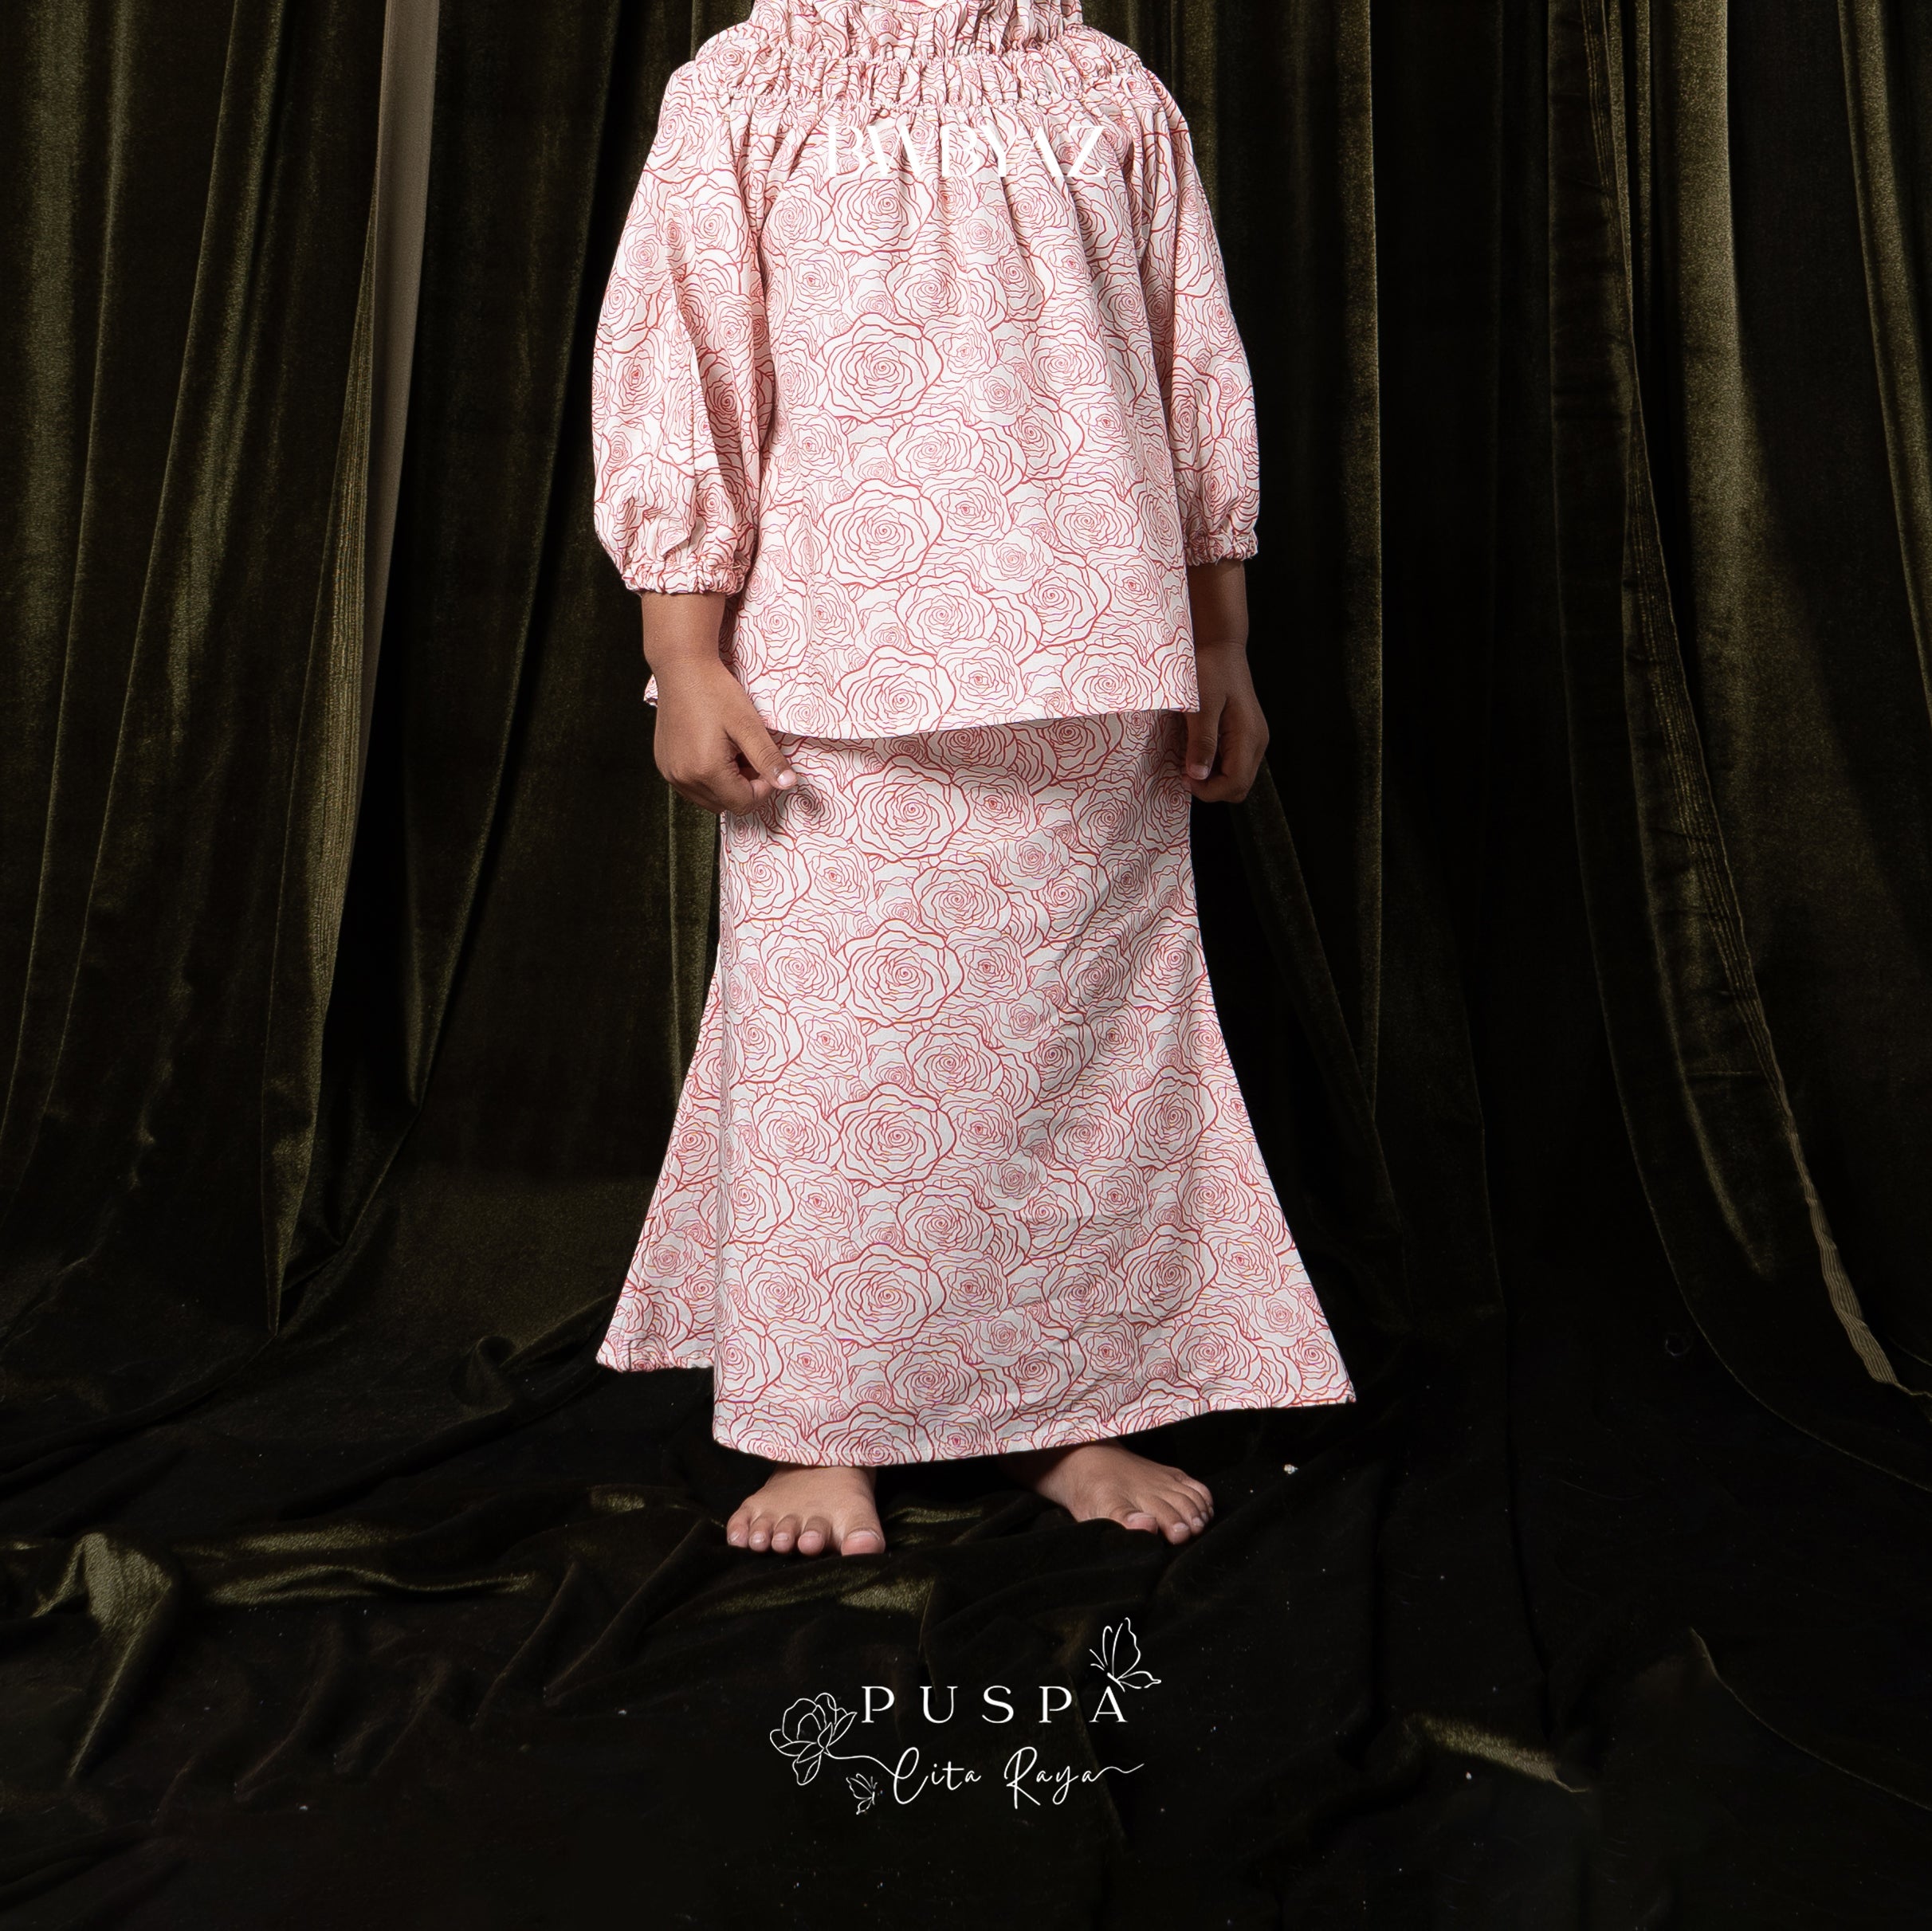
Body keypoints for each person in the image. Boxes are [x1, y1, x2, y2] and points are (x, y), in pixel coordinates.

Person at [589, 0, 1353, 1560]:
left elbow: (1185, 362)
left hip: (1091, 666)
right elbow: (687, 360)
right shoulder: (747, 90)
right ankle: (824, 1422)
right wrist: (686, 652)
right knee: (840, 1064)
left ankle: (1073, 1403)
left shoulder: (1106, 94)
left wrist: (1221, 647)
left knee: (1083, 1065)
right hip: (837, 679)